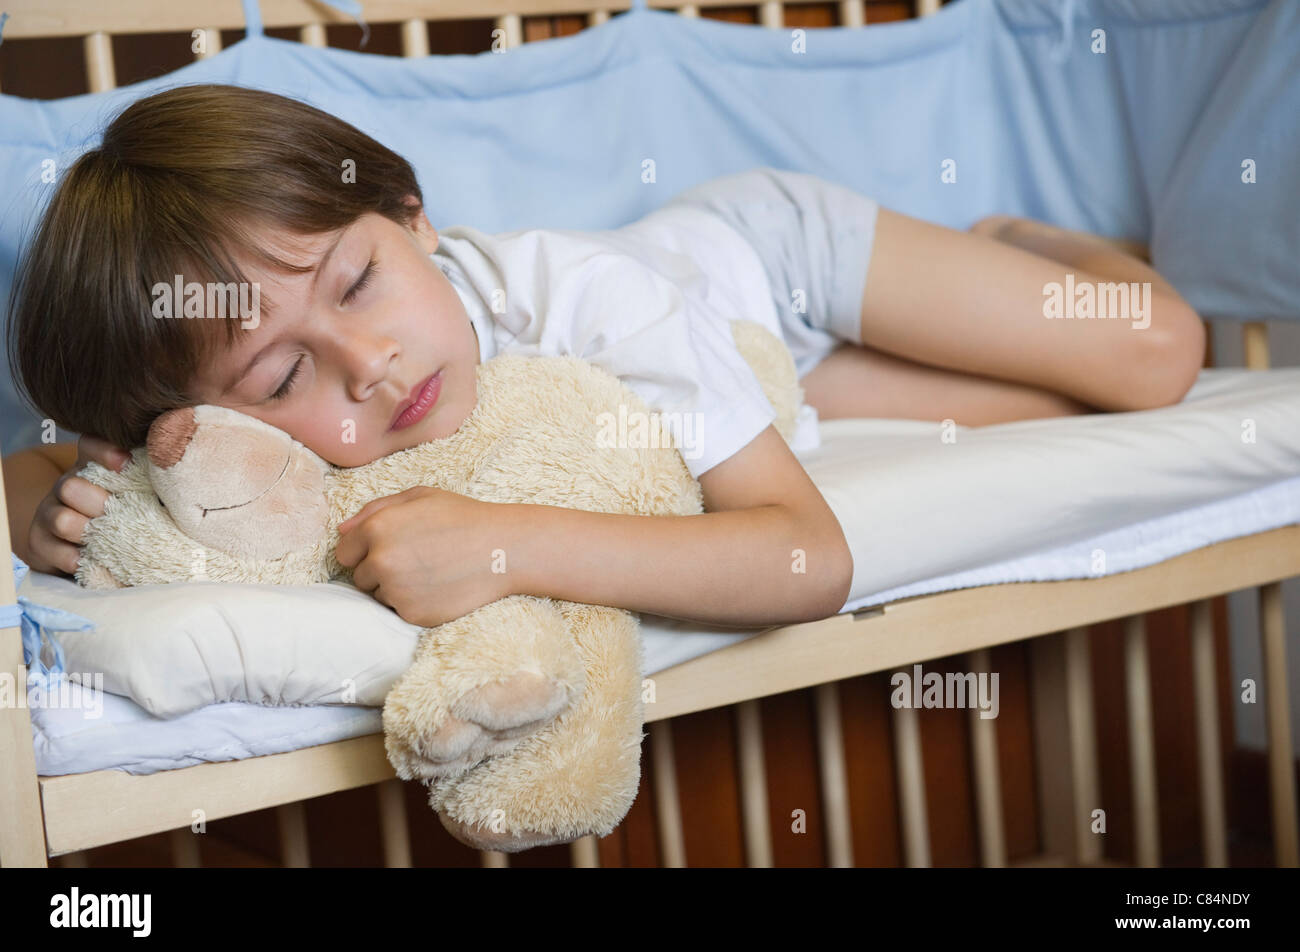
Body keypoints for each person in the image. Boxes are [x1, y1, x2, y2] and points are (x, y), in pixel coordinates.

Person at [3, 85, 1205, 630]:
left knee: (1156, 357)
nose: (367, 362)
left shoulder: (586, 297)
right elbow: (74, 467)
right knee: (1042, 403)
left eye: (361, 280)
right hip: (770, 375)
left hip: (771, 262)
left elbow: (805, 553)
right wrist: (41, 500)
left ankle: (1022, 241)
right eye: (279, 380)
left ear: (414, 215)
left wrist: (507, 546)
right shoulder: (231, 450)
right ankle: (814, 376)